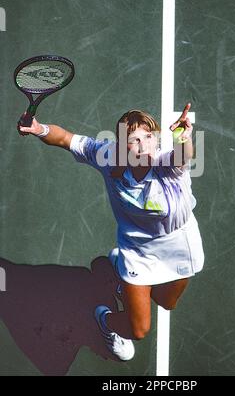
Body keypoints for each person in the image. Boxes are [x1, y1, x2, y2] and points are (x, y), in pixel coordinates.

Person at [17, 102, 204, 362]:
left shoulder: (167, 166)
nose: (143, 144)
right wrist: (39, 128)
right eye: (134, 139)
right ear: (120, 146)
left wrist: (183, 139)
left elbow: (183, 155)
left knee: (166, 302)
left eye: (149, 137)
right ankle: (105, 321)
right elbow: (67, 139)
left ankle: (120, 280)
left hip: (179, 245)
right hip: (138, 251)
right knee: (138, 330)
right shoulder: (109, 158)